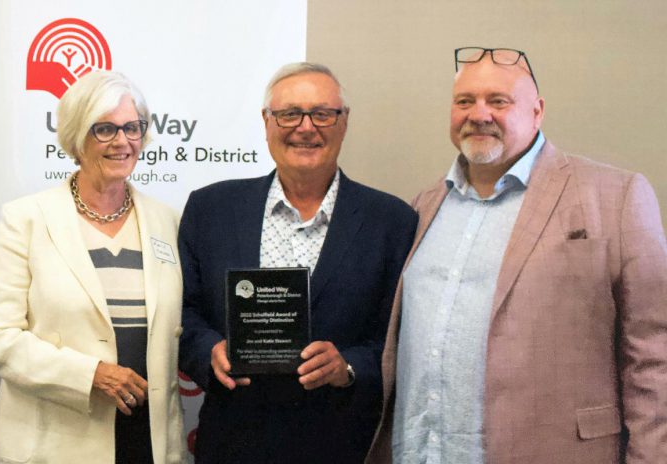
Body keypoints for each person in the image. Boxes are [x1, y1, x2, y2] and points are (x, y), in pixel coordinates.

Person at [367, 47, 667, 463]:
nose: (479, 114)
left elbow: (654, 356)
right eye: (465, 101)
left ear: (537, 111)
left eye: (498, 101)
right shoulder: (421, 207)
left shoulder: (616, 197)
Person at [178, 62, 417, 463]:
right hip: (232, 441)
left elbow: (402, 335)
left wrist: (351, 366)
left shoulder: (391, 221)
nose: (306, 128)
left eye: (323, 113)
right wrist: (209, 351)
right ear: (266, 121)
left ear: (344, 122)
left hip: (343, 444)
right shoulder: (211, 209)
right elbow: (181, 311)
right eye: (289, 114)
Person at [0, 71, 186, 463]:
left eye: (132, 127)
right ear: (76, 137)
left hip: (148, 441)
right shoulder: (26, 219)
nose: (122, 141)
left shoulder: (168, 222)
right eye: (104, 129)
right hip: (54, 444)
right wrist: (89, 374)